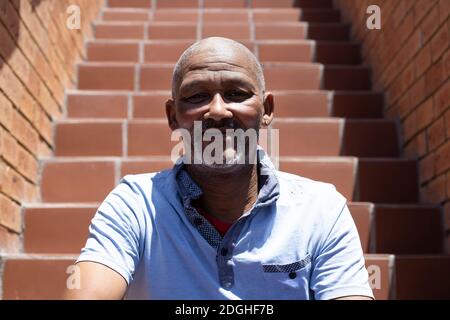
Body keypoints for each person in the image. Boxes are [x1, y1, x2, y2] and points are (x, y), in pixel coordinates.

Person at [64, 37, 374, 300]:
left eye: (236, 94)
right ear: (173, 116)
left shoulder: (320, 209)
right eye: (197, 95)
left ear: (266, 111)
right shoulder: (135, 204)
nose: (217, 110)